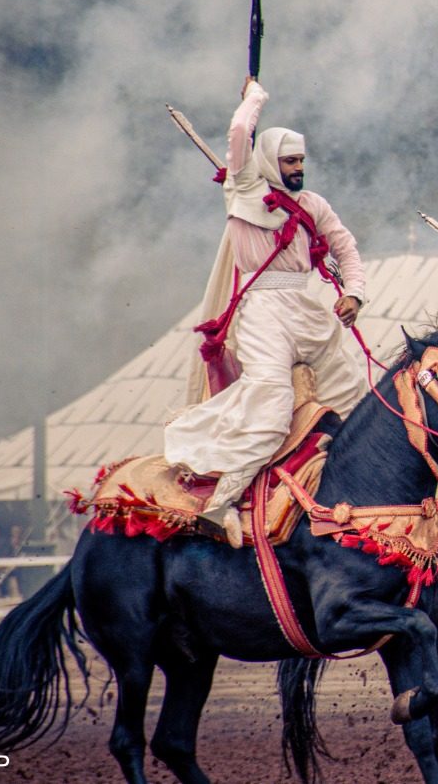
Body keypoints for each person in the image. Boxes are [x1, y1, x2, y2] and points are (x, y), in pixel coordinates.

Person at [164, 80, 368, 548]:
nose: (298, 169)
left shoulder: (314, 204)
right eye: (290, 161)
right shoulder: (243, 186)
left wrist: (354, 293)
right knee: (272, 410)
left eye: (301, 161)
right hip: (263, 315)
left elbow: (346, 247)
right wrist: (255, 96)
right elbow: (239, 132)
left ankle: (347, 493)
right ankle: (222, 503)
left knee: (357, 395)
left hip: (307, 308)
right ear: (269, 160)